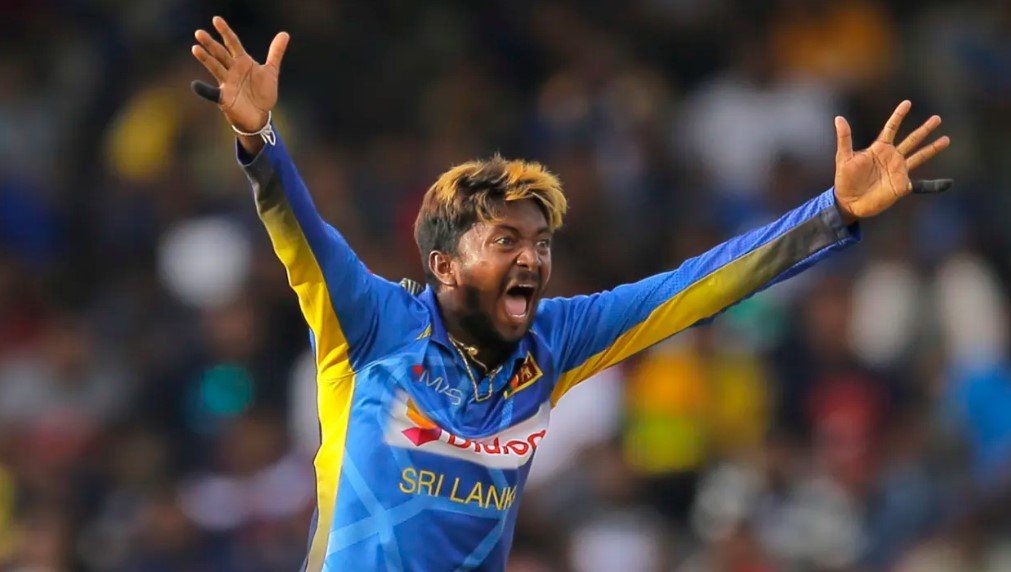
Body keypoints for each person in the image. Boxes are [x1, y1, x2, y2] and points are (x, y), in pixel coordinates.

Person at [188, 16, 951, 572]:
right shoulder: (372, 325)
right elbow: (300, 233)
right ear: (444, 265)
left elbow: (696, 286)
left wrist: (833, 211)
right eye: (506, 242)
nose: (531, 259)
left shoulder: (552, 342)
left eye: (541, 243)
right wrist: (258, 140)